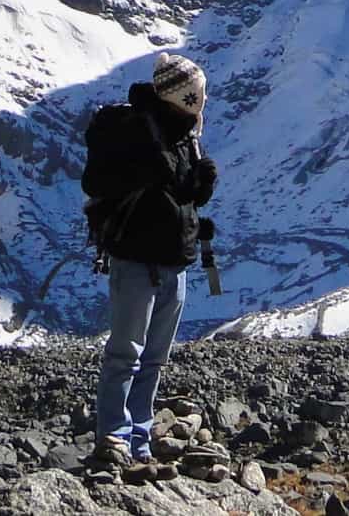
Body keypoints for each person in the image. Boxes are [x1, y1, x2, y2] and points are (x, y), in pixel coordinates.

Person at [83, 51, 218, 466]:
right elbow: (96, 181)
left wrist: (198, 188)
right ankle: (115, 436)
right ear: (184, 95)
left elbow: (180, 195)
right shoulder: (133, 129)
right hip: (137, 258)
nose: (201, 102)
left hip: (173, 258)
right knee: (127, 352)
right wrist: (148, 172)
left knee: (153, 355)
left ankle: (137, 437)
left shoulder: (183, 135)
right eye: (196, 94)